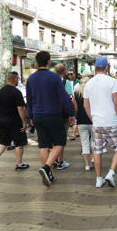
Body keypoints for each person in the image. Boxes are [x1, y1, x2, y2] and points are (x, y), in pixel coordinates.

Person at [26, 51, 75, 187]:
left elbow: (29, 100)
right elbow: (63, 98)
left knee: (43, 145)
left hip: (37, 116)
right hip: (53, 115)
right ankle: (46, 168)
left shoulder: (31, 79)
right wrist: (71, 114)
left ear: (37, 62)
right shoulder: (54, 78)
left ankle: (48, 174)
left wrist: (31, 116)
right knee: (59, 143)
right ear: (48, 61)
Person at [83, 57, 117, 187]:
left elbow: (86, 106)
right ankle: (111, 173)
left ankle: (98, 179)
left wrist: (93, 119)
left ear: (95, 68)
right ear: (107, 67)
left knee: (97, 150)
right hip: (112, 121)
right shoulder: (112, 81)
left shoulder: (88, 84)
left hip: (97, 123)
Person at [0, 72, 29, 174]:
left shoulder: (0, 91)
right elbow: (21, 109)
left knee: (3, 142)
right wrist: (24, 122)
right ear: (15, 79)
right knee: (19, 142)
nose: (18, 81)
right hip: (14, 121)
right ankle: (19, 163)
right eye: (18, 79)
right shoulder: (16, 92)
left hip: (2, 120)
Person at [54, 63, 74, 169]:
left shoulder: (51, 80)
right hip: (62, 113)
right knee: (61, 138)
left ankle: (53, 159)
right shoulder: (66, 82)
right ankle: (60, 161)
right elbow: (69, 97)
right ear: (64, 71)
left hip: (51, 113)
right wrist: (72, 113)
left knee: (53, 139)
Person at [74, 72, 93, 171]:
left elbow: (76, 109)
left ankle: (87, 165)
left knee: (84, 143)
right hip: (93, 121)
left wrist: (76, 118)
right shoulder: (92, 93)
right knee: (95, 142)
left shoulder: (76, 94)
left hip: (81, 122)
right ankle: (95, 158)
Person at [67, 69, 80, 139]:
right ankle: (77, 132)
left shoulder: (78, 82)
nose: (70, 75)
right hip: (69, 100)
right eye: (69, 74)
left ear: (74, 74)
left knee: (75, 115)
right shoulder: (66, 81)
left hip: (75, 99)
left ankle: (73, 133)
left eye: (71, 74)